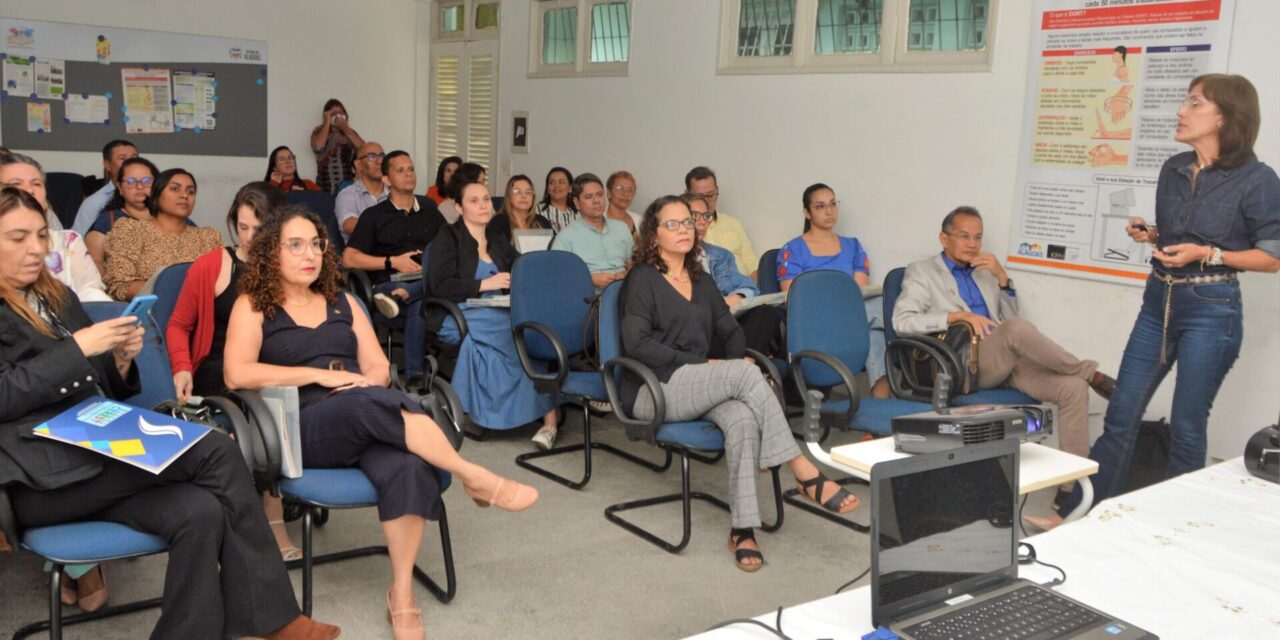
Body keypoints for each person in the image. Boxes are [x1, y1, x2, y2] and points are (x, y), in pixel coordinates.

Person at [0, 187, 340, 640]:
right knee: (217, 451)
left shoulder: (57, 295)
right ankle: (274, 618)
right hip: (38, 479)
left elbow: (99, 382)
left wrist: (119, 358)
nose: (36, 248)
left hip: (91, 448)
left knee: (199, 511)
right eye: (17, 237)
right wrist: (77, 349)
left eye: (41, 235)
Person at [225, 207, 538, 640]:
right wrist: (319, 376)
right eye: (294, 245)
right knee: (370, 406)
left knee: (405, 464)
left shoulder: (344, 300)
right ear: (269, 254)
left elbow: (377, 366)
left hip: (363, 407)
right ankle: (473, 475)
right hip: (298, 422)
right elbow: (237, 374)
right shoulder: (254, 304)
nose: (309, 254)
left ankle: (402, 595)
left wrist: (362, 383)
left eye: (316, 244)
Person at [1042, 74, 1280, 531]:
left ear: (1224, 118)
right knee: (1121, 415)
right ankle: (1078, 519)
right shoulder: (1173, 168)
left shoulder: (1257, 179)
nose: (1181, 111)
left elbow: (1271, 256)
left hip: (1213, 309)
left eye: (1194, 103)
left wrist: (1206, 253)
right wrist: (1151, 235)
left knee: (1188, 429)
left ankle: (1169, 530)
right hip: (1159, 301)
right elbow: (1178, 235)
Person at [619, 195, 858, 572]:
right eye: (672, 224)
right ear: (652, 234)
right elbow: (637, 344)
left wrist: (728, 366)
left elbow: (731, 331)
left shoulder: (701, 279)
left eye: (688, 222)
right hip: (653, 388)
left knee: (743, 418)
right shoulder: (642, 279)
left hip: (700, 384)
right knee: (746, 373)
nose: (684, 229)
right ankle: (803, 469)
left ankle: (743, 529)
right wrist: (713, 366)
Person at [893, 205, 1117, 518]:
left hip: (1004, 360)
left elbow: (1015, 324)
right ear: (944, 238)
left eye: (978, 237)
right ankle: (1093, 374)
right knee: (1017, 334)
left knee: (1072, 388)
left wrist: (1002, 279)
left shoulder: (985, 273)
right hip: (963, 364)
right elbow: (902, 322)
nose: (973, 244)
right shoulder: (922, 271)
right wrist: (958, 316)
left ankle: (1072, 490)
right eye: (964, 236)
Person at [164, 182, 303, 560]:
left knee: (294, 400)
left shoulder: (293, 262)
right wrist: (181, 367)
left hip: (277, 363)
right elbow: (178, 324)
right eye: (242, 227)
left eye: (259, 229)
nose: (249, 237)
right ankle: (270, 520)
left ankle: (279, 501)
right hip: (221, 368)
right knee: (262, 413)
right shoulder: (214, 264)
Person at [424, 176, 559, 448]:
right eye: (474, 200)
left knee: (528, 330)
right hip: (456, 313)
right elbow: (439, 286)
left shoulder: (497, 240)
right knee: (524, 334)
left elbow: (522, 269)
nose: (483, 205)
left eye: (486, 199)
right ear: (459, 208)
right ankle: (549, 419)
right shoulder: (447, 238)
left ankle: (531, 420)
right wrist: (487, 284)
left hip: (495, 313)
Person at [342, 151, 446, 384]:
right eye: (400, 170)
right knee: (414, 300)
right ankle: (415, 378)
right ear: (387, 180)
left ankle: (414, 376)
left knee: (415, 300)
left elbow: (448, 253)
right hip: (389, 281)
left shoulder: (431, 214)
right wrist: (392, 261)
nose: (408, 174)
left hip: (426, 281)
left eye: (411, 169)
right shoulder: (373, 216)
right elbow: (349, 258)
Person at [777, 183, 888, 398]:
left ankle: (880, 408)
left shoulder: (853, 246)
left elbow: (858, 291)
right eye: (820, 206)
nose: (829, 211)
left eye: (832, 204)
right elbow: (794, 298)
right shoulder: (792, 250)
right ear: (806, 212)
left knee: (875, 335)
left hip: (851, 314)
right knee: (886, 312)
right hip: (814, 320)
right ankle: (906, 324)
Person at [0, 152, 110, 304]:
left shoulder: (67, 241)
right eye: (15, 185)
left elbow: (91, 292)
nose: (30, 191)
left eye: (36, 184)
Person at [102, 169, 222, 302]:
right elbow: (119, 287)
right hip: (150, 315)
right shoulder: (132, 230)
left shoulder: (208, 237)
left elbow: (222, 283)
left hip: (200, 314)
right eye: (175, 189)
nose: (184, 195)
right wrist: (171, 289)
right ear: (156, 196)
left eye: (191, 192)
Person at [687, 194, 782, 358]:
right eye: (695, 216)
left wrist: (736, 296)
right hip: (698, 327)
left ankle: (748, 365)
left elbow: (749, 287)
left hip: (727, 320)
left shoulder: (720, 255)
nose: (702, 222)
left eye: (707, 216)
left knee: (767, 313)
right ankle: (752, 367)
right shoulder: (672, 258)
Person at [550, 173, 631, 291]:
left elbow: (633, 262)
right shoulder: (566, 237)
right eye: (588, 197)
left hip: (624, 293)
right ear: (577, 203)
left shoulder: (622, 228)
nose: (596, 201)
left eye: (599, 195)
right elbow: (556, 275)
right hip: (587, 297)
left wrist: (627, 273)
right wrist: (589, 278)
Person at [84, 157, 161, 274]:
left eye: (147, 181)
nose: (139, 186)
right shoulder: (107, 222)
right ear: (120, 188)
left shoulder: (173, 219)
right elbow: (93, 264)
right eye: (131, 181)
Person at [685, 166, 758, 279]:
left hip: (744, 289)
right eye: (699, 196)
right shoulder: (684, 229)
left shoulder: (733, 224)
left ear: (717, 190)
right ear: (687, 194)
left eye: (711, 195)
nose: (706, 201)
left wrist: (752, 291)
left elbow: (752, 265)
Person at [71, 139, 138, 236]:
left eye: (134, 157)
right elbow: (77, 243)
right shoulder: (94, 203)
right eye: (122, 158)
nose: (131, 163)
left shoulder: (150, 197)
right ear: (107, 165)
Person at [333, 141, 387, 242]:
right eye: (372, 156)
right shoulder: (348, 194)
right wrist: (388, 227)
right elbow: (349, 224)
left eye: (381, 156)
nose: (379, 162)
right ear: (358, 165)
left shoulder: (393, 193)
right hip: (363, 254)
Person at [310, 98, 366, 193]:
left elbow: (364, 149)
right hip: (326, 185)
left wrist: (345, 128)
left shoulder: (350, 133)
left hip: (349, 185)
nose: (338, 116)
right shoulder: (319, 131)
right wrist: (327, 121)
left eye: (341, 112)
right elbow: (318, 147)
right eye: (333, 114)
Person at [489, 174, 553, 252]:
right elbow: (501, 255)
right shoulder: (498, 223)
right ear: (509, 196)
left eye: (528, 192)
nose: (524, 196)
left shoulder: (542, 222)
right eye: (518, 192)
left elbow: (553, 250)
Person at [536, 166, 577, 232]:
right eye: (552, 183)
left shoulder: (579, 213)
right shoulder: (536, 211)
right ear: (547, 188)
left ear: (570, 188)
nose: (556, 186)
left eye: (561, 182)